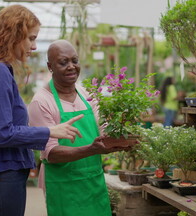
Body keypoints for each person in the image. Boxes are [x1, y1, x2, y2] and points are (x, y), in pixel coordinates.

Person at [0, 5, 83, 216]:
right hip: (0, 176)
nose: (33, 46)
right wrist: (50, 132)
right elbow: (1, 133)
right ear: (12, 35)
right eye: (30, 38)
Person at [28, 39, 125, 216]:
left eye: (75, 60)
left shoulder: (86, 94)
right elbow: (51, 153)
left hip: (93, 181)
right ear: (50, 66)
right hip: (64, 185)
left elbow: (103, 128)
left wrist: (120, 135)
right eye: (63, 62)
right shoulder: (42, 102)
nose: (71, 66)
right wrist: (91, 149)